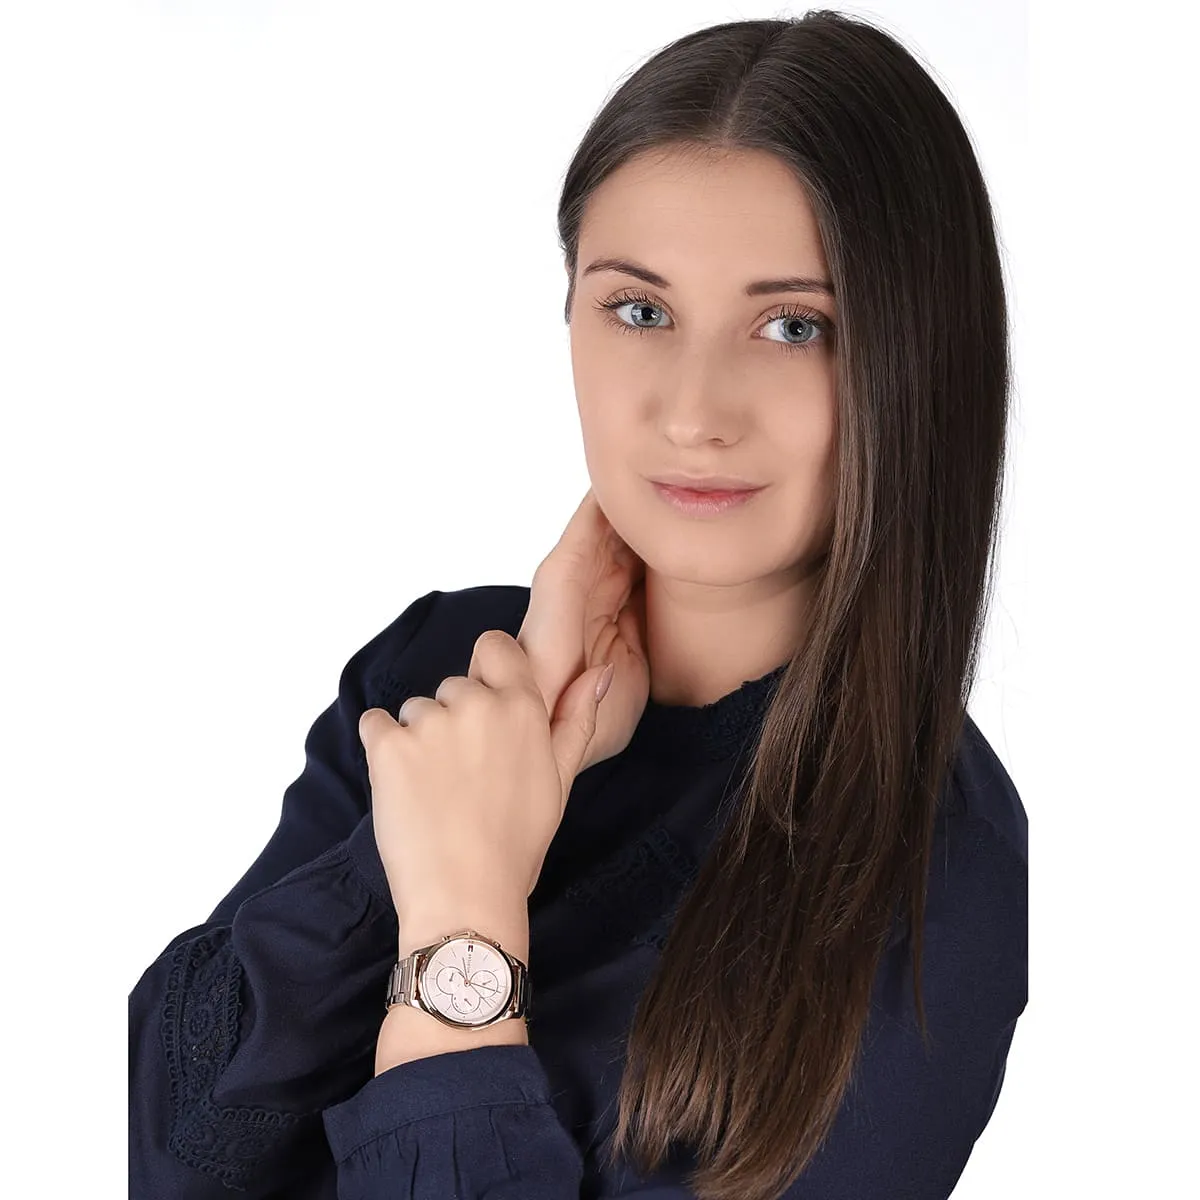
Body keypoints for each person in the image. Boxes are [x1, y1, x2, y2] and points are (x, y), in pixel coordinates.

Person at [128, 12, 1027, 1200]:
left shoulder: (933, 867)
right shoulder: (440, 669)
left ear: (916, 362)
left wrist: (463, 920)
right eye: (639, 310)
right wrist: (499, 747)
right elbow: (172, 1142)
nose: (693, 411)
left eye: (793, 326)